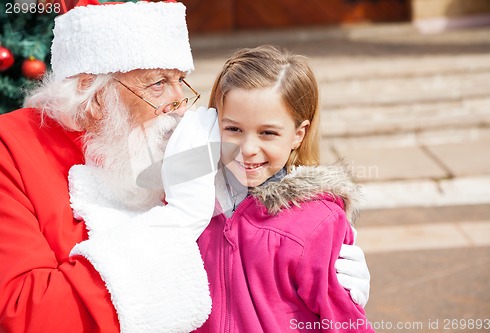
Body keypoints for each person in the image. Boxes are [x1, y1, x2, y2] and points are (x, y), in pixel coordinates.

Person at [0, 1, 370, 332]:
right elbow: (25, 314)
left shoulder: (165, 142)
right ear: (94, 94)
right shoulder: (12, 150)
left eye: (181, 80)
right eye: (159, 83)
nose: (179, 102)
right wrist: (175, 222)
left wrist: (324, 273)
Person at [194, 45, 375, 332]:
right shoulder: (189, 205)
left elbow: (343, 323)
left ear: (297, 134)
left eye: (267, 133)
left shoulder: (317, 222)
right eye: (233, 129)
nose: (248, 149)